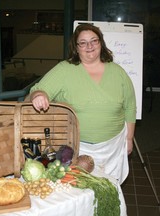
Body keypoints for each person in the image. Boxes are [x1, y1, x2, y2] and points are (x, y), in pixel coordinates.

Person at [29, 23, 136, 184]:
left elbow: (130, 106)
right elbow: (39, 89)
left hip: (113, 147)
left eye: (94, 40)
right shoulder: (64, 70)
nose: (89, 46)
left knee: (109, 189)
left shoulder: (118, 72)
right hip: (77, 148)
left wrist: (129, 139)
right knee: (79, 190)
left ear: (101, 43)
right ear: (76, 47)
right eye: (83, 42)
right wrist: (38, 95)